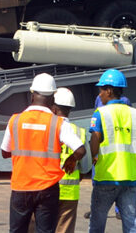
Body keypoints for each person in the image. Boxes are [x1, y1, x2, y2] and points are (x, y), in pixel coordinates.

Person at [2, 73, 86, 233]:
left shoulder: (15, 120)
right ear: (53, 96)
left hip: (21, 186)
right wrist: (70, 160)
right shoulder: (58, 123)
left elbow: (5, 152)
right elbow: (80, 150)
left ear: (32, 93)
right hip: (48, 188)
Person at [87, 68, 136, 233]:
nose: (99, 94)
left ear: (109, 91)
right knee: (131, 225)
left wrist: (92, 157)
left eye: (101, 89)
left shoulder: (100, 113)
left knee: (97, 223)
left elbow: (95, 140)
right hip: (130, 178)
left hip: (106, 177)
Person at [51, 87, 92, 233]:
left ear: (54, 108)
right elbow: (86, 167)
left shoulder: (48, 129)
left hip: (47, 188)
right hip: (70, 192)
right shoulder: (79, 132)